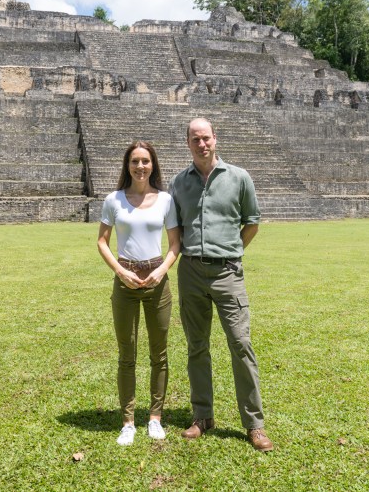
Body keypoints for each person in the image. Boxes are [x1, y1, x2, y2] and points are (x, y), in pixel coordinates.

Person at [169, 118, 274, 452]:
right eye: (195, 139)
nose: (202, 144)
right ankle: (202, 416)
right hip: (190, 272)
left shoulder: (239, 178)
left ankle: (254, 424)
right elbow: (176, 229)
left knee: (241, 345)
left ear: (216, 139)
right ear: (188, 143)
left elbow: (252, 222)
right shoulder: (178, 183)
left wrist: (232, 252)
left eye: (206, 138)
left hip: (228, 273)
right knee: (196, 346)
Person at [97, 141, 181, 446]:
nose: (140, 166)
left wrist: (161, 270)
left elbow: (175, 244)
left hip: (157, 280)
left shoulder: (165, 200)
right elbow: (102, 242)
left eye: (146, 161)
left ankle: (155, 418)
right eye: (135, 161)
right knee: (126, 354)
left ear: (153, 165)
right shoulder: (114, 200)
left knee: (159, 354)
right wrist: (120, 271)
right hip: (126, 281)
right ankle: (128, 421)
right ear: (127, 165)